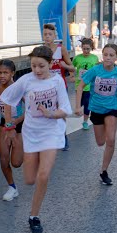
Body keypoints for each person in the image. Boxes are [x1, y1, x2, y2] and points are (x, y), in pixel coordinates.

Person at [0, 45, 72, 233]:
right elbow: (7, 99)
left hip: (51, 132)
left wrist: (50, 113)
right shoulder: (26, 80)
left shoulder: (57, 82)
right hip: (31, 133)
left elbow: (65, 108)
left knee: (43, 175)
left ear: (50, 64)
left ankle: (34, 216)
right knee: (30, 180)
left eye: (41, 66)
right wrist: (8, 125)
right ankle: (38, 162)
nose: (37, 70)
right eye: (33, 66)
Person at [75, 43, 117, 186]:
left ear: (116, 57)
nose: (108, 58)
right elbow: (80, 87)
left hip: (111, 109)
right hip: (96, 109)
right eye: (105, 55)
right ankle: (104, 169)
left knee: (111, 140)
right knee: (100, 142)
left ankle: (104, 171)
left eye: (111, 55)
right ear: (102, 56)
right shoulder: (95, 70)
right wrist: (78, 106)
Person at [0, 59, 24, 201]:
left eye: (5, 73)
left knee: (16, 163)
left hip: (19, 126)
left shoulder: (19, 89)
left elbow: (31, 109)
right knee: (3, 159)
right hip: (4, 125)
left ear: (12, 73)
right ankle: (12, 187)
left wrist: (17, 121)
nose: (2, 75)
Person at [42, 23, 75, 151]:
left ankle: (63, 138)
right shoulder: (41, 51)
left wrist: (65, 67)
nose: (47, 37)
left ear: (54, 35)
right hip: (45, 88)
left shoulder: (61, 49)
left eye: (50, 34)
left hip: (60, 87)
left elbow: (72, 67)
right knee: (46, 112)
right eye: (45, 34)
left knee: (60, 113)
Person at [72, 38, 99, 130]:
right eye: (84, 48)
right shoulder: (77, 58)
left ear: (91, 48)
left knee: (87, 104)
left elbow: (96, 70)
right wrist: (72, 75)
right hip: (79, 85)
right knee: (81, 102)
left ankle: (85, 121)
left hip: (89, 86)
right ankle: (78, 109)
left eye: (88, 49)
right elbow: (72, 67)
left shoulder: (94, 58)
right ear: (81, 48)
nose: (86, 51)